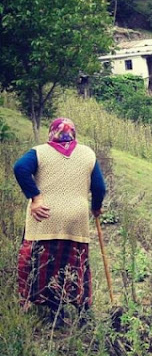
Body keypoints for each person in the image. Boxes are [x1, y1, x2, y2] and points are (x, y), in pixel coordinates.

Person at [13, 117, 106, 326]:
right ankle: (82, 311)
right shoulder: (87, 153)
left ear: (51, 132)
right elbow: (99, 188)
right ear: (74, 133)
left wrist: (35, 197)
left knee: (44, 262)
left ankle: (55, 313)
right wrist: (96, 207)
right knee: (74, 262)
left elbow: (20, 168)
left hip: (45, 217)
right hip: (76, 218)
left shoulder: (39, 152)